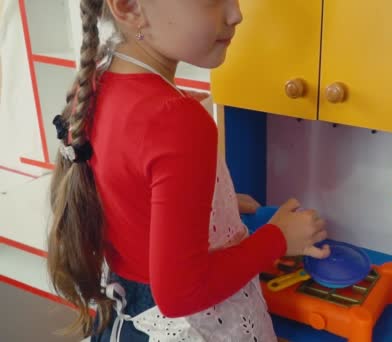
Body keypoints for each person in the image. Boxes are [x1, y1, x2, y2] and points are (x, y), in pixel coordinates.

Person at [47, 0, 330, 341]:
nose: (236, 13)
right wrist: (279, 238)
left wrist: (214, 202)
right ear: (128, 6)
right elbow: (182, 293)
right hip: (187, 325)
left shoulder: (99, 83)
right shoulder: (177, 120)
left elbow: (129, 191)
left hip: (128, 314)